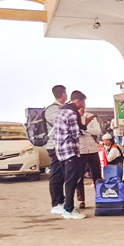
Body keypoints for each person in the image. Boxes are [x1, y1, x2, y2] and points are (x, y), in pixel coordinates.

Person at [53, 91, 88, 219]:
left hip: (61, 152)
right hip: (70, 152)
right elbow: (75, 134)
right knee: (71, 182)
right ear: (77, 101)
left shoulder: (60, 113)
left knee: (67, 180)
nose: (83, 105)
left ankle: (68, 207)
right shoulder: (72, 114)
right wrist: (84, 129)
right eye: (82, 102)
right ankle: (69, 210)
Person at [75, 107, 103, 209]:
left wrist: (85, 130)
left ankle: (99, 198)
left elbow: (98, 131)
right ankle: (81, 200)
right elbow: (76, 132)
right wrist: (89, 132)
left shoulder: (91, 117)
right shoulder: (74, 118)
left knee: (97, 175)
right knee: (79, 177)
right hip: (80, 150)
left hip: (92, 149)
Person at [45, 85, 67, 214]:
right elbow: (61, 123)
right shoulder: (53, 109)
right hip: (54, 146)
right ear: (63, 94)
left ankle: (61, 201)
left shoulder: (60, 108)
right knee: (56, 175)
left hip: (60, 145)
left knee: (62, 174)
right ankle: (56, 203)